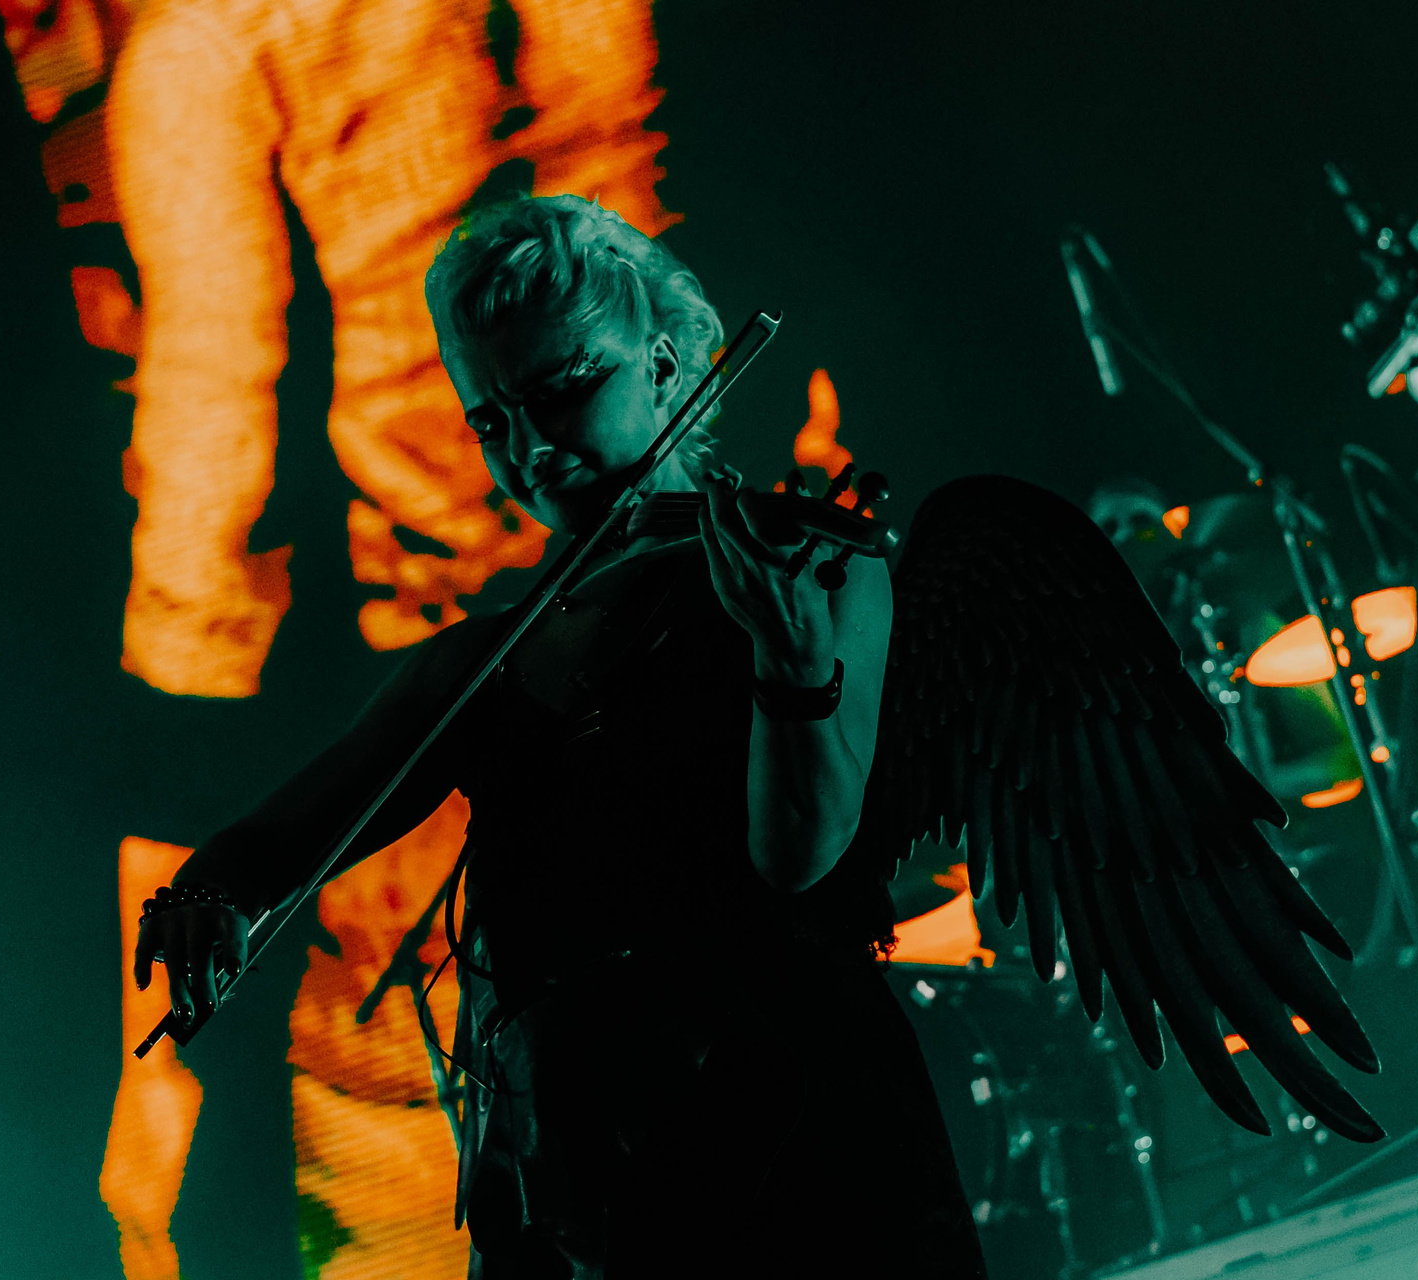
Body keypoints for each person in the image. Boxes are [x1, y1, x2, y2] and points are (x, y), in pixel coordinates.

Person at [134, 195, 988, 1278]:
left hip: (803, 1143)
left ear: (668, 367)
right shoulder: (480, 659)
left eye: (564, 389)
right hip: (582, 1177)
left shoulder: (811, 565)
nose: (531, 448)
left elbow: (799, 856)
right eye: (492, 423)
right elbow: (280, 836)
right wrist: (204, 893)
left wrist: (787, 662)